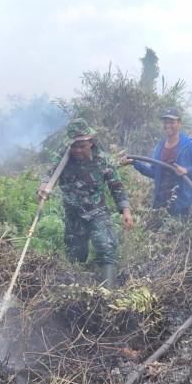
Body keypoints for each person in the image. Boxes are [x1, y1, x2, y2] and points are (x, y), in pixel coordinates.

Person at [37, 118, 134, 289]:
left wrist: (126, 212)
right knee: (76, 256)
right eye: (74, 146)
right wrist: (43, 188)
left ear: (91, 142)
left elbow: (117, 187)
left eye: (82, 145)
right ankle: (76, 290)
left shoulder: (104, 161)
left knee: (106, 248)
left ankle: (108, 294)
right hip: (74, 213)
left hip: (98, 211)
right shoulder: (63, 157)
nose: (78, 150)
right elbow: (50, 173)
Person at [120, 107, 192, 219]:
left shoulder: (188, 146)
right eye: (165, 122)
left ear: (179, 123)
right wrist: (134, 163)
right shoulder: (159, 147)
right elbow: (154, 173)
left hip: (181, 203)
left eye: (172, 122)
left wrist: (187, 170)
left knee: (177, 234)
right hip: (161, 202)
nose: (168, 125)